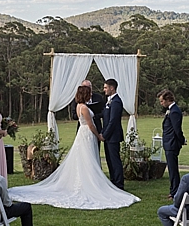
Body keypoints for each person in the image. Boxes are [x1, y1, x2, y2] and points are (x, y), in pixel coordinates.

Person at [9, 85, 139, 209]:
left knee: (85, 158)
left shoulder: (79, 106)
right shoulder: (83, 108)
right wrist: (99, 135)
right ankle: (87, 184)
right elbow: (91, 124)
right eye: (88, 94)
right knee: (87, 158)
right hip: (87, 134)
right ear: (84, 95)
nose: (90, 95)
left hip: (83, 134)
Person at [99, 78, 126, 190]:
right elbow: (104, 115)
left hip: (113, 136)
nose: (104, 90)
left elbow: (113, 121)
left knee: (115, 160)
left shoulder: (116, 102)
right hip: (109, 137)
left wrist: (104, 135)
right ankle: (113, 181)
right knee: (109, 160)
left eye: (106, 87)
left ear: (112, 88)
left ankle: (119, 183)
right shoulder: (109, 100)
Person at [158, 88, 185, 199]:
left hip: (172, 143)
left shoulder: (174, 111)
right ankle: (173, 190)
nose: (161, 103)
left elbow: (177, 129)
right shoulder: (170, 110)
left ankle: (175, 192)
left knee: (173, 169)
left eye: (162, 101)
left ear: (168, 99)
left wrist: (182, 140)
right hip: (169, 142)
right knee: (171, 168)